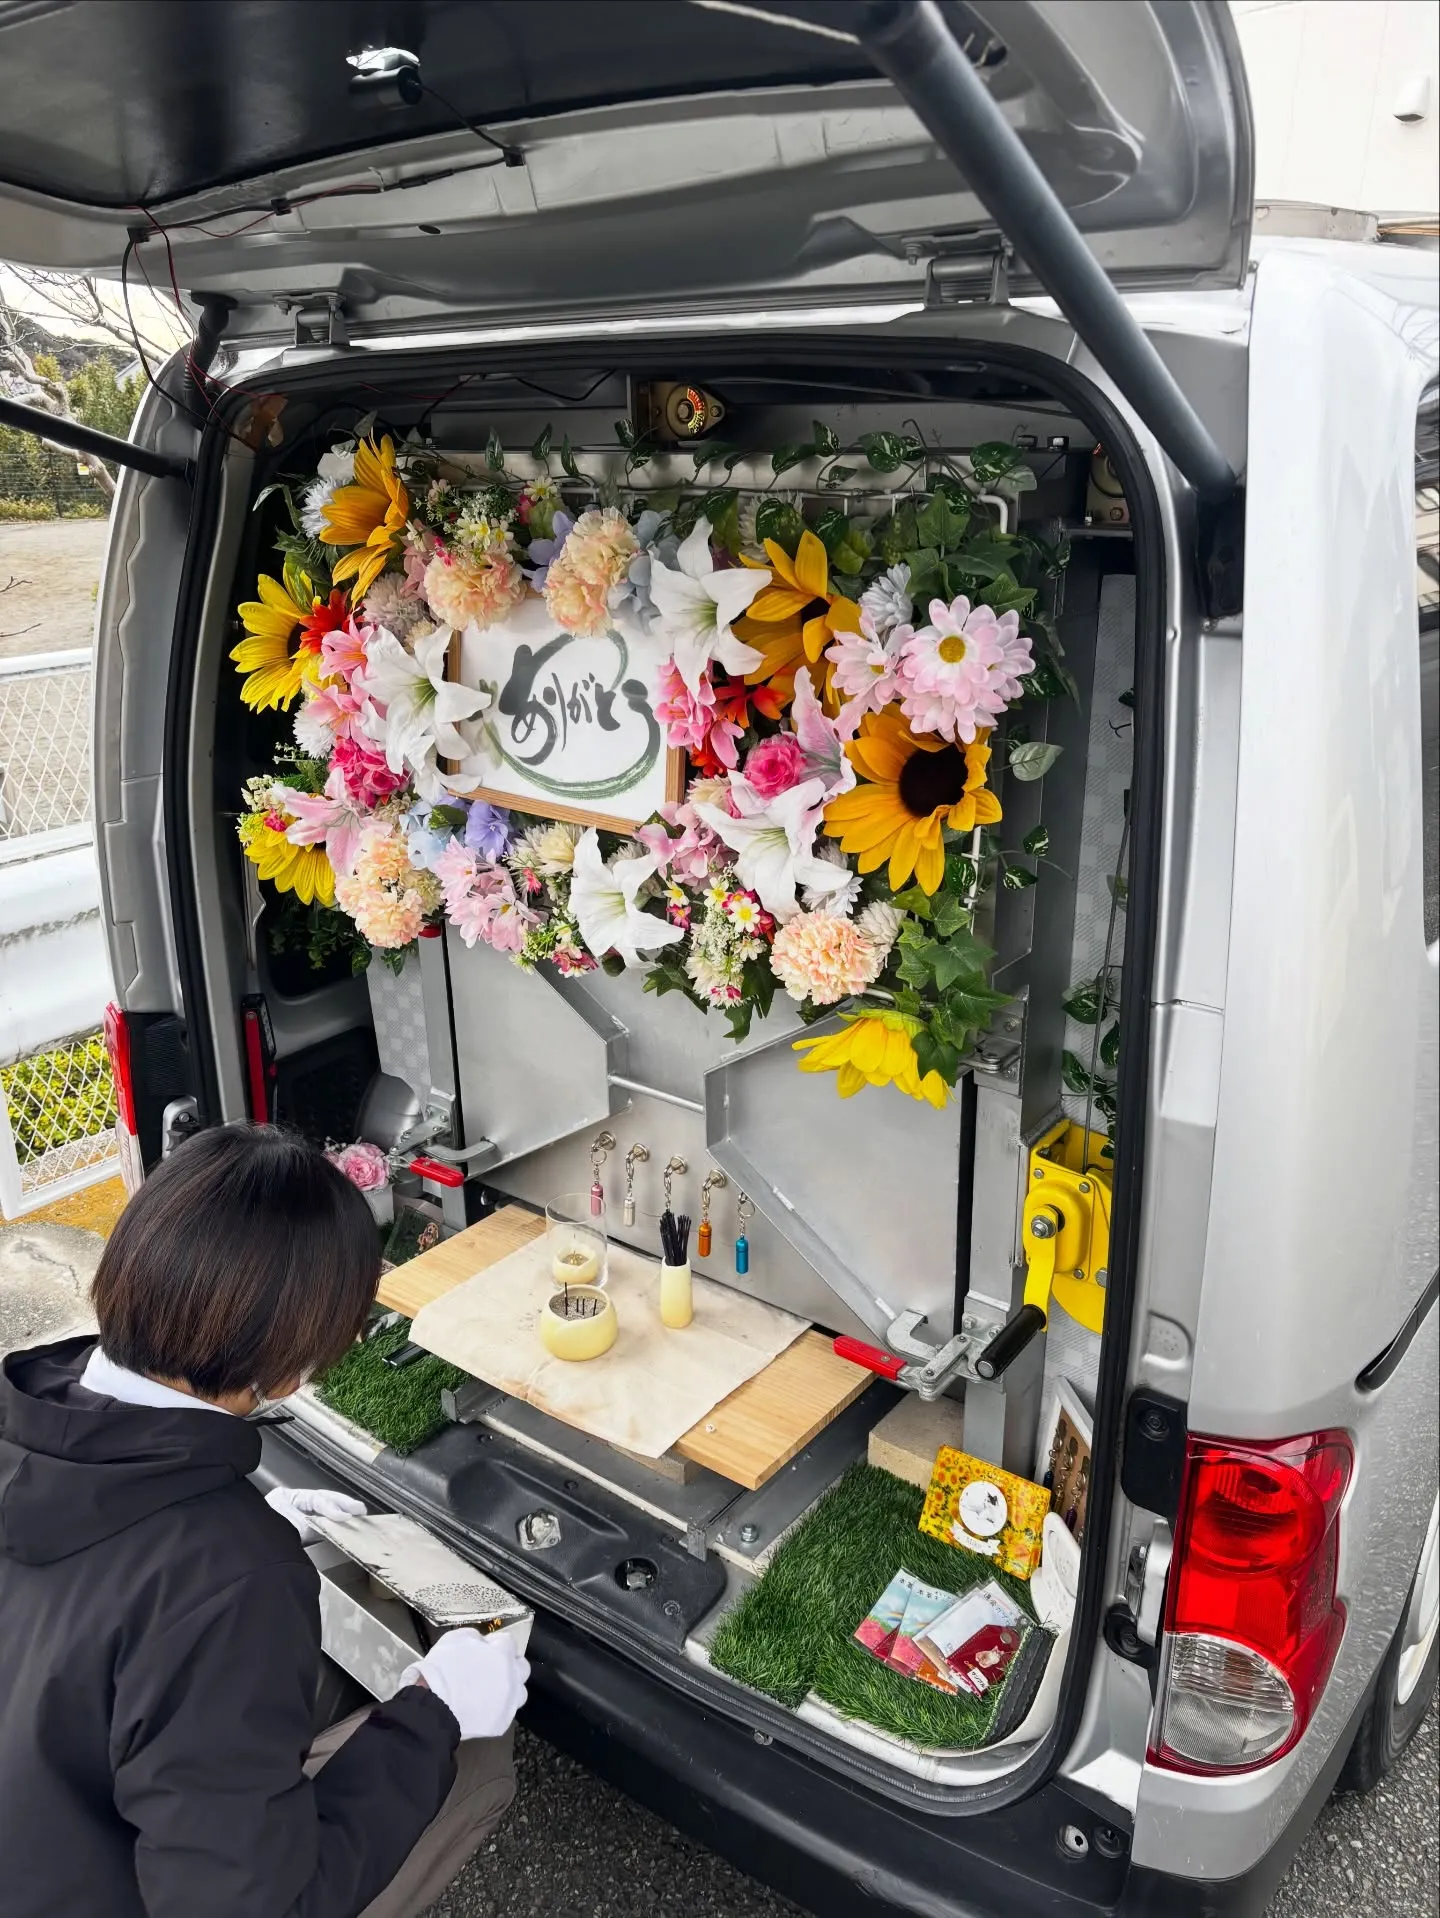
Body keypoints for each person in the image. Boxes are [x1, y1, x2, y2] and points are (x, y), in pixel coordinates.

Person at [0, 1123, 529, 1918]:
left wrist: (258, 1517)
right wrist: (436, 1711)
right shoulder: (231, 1578)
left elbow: (83, 1601)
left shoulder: (23, 1418)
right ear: (286, 1371)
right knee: (478, 1758)